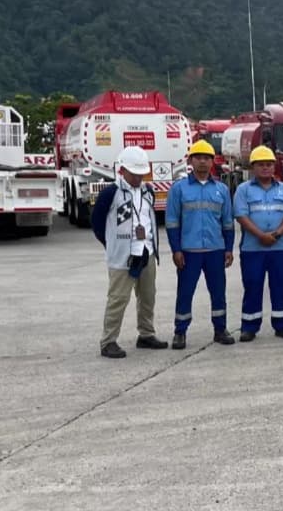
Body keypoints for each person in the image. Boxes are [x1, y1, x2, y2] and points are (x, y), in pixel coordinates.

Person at [92, 146, 167, 358]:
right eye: (134, 174)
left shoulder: (148, 191)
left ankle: (146, 334)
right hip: (122, 256)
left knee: (147, 296)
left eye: (141, 173)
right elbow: (97, 223)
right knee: (118, 299)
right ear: (122, 170)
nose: (138, 178)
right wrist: (112, 245)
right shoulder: (110, 193)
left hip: (146, 252)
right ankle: (108, 341)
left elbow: (150, 220)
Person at [166, 139, 236, 349]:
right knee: (185, 292)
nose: (203, 162)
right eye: (199, 158)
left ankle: (220, 329)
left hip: (215, 250)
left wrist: (229, 248)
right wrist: (176, 250)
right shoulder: (179, 189)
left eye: (207, 158)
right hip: (190, 251)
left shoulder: (222, 190)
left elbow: (227, 222)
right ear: (191, 161)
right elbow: (172, 222)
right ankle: (180, 332)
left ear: (212, 162)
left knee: (218, 292)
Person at [233, 145, 283, 342]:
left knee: (279, 286)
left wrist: (275, 235)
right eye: (261, 165)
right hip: (253, 248)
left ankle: (282, 324)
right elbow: (241, 215)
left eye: (269, 164)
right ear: (253, 167)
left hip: (279, 248)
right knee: (253, 285)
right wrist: (261, 235)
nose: (266, 168)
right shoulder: (243, 190)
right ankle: (249, 327)